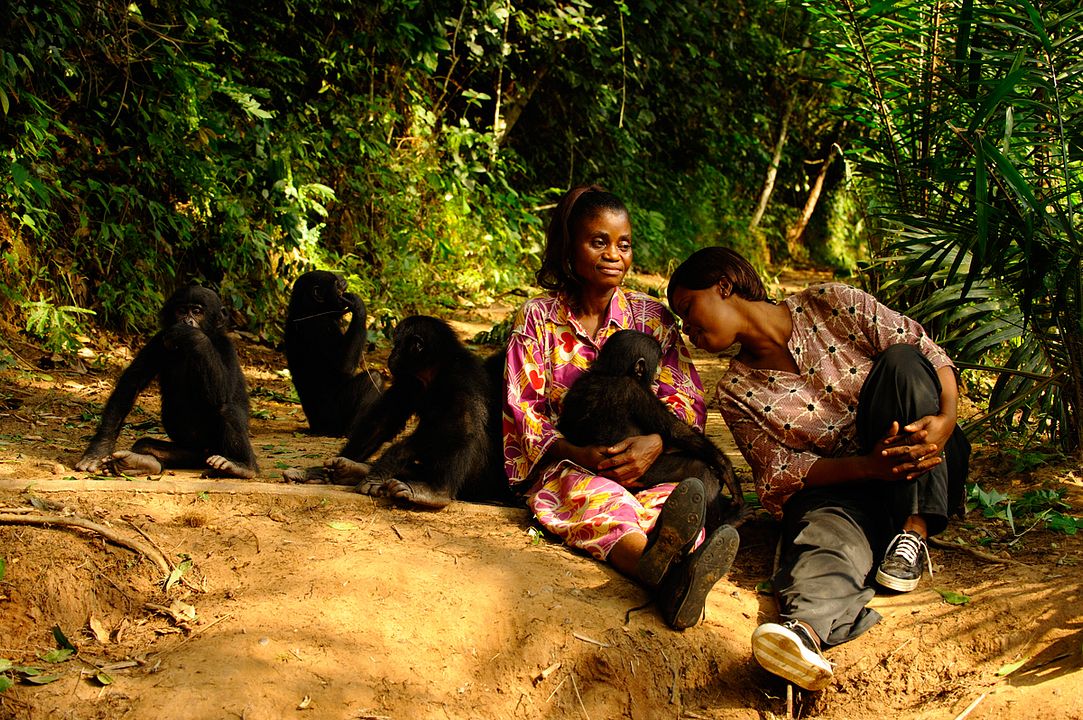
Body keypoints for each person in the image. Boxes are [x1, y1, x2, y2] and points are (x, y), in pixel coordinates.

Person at [667, 247, 970, 689]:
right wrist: (868, 467)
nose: (687, 328)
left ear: (724, 286)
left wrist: (945, 420)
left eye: (689, 309)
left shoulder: (831, 302)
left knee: (901, 362)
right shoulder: (735, 390)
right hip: (848, 489)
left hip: (928, 461)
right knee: (819, 532)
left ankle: (914, 532)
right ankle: (803, 635)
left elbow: (927, 351)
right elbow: (779, 474)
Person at [502, 185, 740, 630]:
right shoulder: (537, 318)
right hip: (575, 462)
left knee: (696, 483)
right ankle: (664, 573)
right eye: (599, 242)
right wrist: (582, 455)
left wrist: (652, 442)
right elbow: (524, 415)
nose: (614, 254)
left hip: (651, 460)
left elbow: (685, 401)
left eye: (624, 244)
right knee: (599, 496)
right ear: (569, 248)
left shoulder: (653, 317)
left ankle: (672, 551)